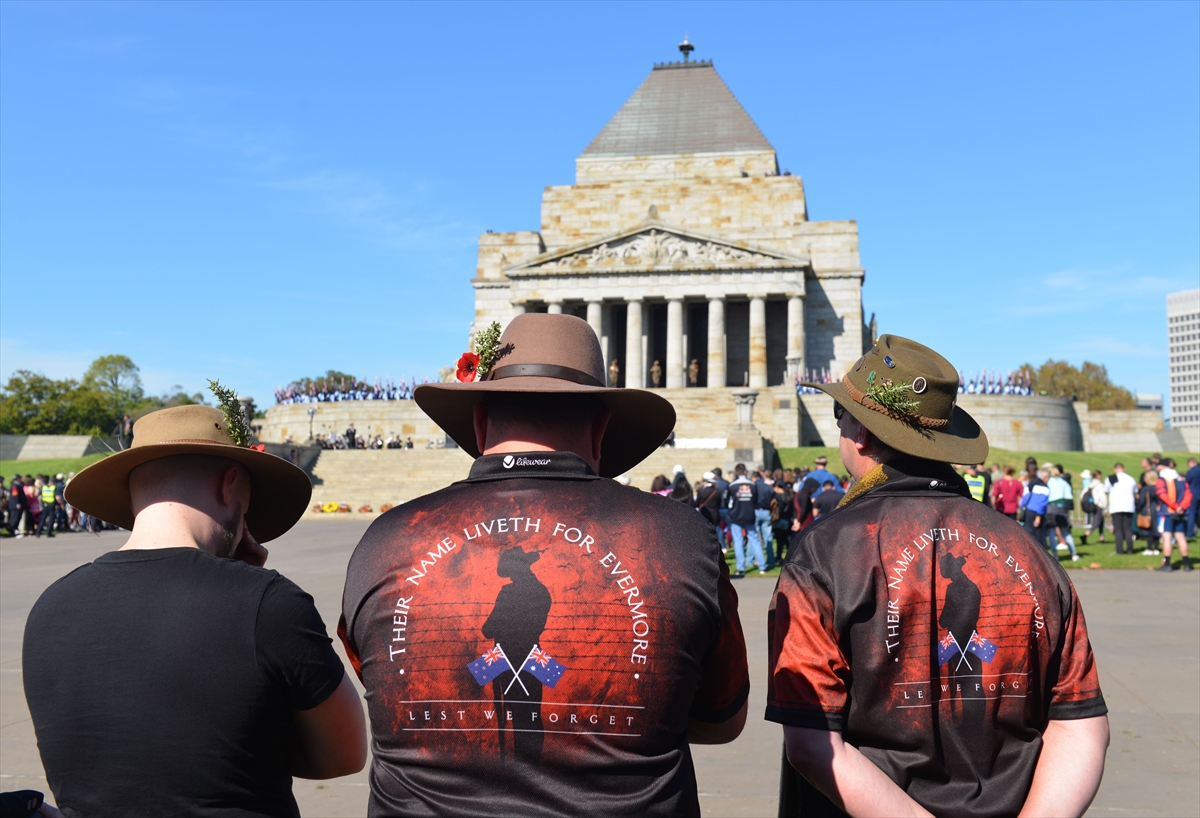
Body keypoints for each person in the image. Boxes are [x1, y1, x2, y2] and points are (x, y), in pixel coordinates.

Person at [341, 313, 749, 816]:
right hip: (534, 670)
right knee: (519, 708)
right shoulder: (679, 540)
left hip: (520, 662)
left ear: (479, 422)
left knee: (517, 709)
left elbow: (386, 691)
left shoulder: (386, 540)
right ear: (602, 428)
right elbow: (723, 717)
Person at [767, 335, 1109, 817]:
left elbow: (812, 742)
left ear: (861, 433)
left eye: (840, 417)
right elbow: (1080, 723)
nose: (840, 428)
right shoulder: (1028, 549)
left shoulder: (825, 551)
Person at [23, 405, 366, 816]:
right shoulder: (269, 606)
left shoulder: (50, 607)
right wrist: (250, 592)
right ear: (230, 484)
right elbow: (344, 754)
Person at [727, 463, 767, 577]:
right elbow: (756, 500)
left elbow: (729, 503)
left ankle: (740, 567)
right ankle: (762, 566)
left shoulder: (732, 486)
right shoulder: (752, 485)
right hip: (749, 515)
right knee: (754, 540)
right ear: (745, 471)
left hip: (736, 516)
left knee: (738, 541)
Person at [1154, 458, 1193, 572]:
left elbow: (1163, 495)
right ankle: (1186, 564)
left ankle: (1167, 564)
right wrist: (1182, 507)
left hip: (1168, 513)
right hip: (1181, 513)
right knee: (1181, 537)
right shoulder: (1182, 480)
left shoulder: (1162, 480)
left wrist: (1175, 506)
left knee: (1167, 537)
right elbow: (1188, 495)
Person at [1046, 465, 1079, 561]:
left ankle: (1055, 554)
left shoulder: (1047, 482)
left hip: (1050, 508)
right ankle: (1074, 554)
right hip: (1061, 508)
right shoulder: (1063, 483)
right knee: (1066, 532)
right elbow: (1068, 497)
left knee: (1051, 533)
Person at [1108, 463, 1139, 555]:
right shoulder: (1131, 479)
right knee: (1128, 529)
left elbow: (1106, 490)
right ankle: (1130, 549)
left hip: (1116, 506)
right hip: (1129, 506)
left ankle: (1119, 550)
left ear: (1115, 469)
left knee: (1118, 529)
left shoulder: (1110, 478)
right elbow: (1135, 491)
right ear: (1124, 469)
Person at [753, 469, 776, 570]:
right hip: (766, 512)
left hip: (756, 511)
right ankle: (771, 560)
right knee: (768, 538)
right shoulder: (768, 487)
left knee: (754, 538)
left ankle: (751, 560)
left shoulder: (753, 487)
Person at [1135, 470, 1161, 554]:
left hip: (1147, 509)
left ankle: (1149, 548)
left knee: (1148, 529)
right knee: (1156, 529)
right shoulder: (1158, 488)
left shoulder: (1145, 489)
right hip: (1157, 510)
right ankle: (1156, 548)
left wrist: (1138, 508)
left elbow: (1142, 501)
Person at [1185, 457, 1200, 539]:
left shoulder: (1191, 472)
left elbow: (1187, 482)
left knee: (1192, 513)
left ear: (1191, 463)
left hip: (1193, 494)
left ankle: (1190, 533)